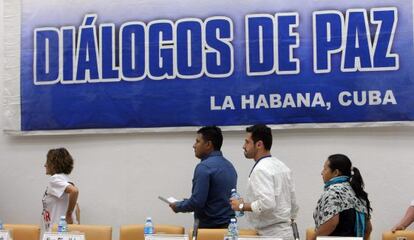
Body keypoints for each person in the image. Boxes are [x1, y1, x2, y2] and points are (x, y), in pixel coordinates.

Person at [230, 124, 299, 240]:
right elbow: (294, 204)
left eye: (247, 142)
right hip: (286, 232)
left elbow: (267, 203)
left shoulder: (261, 169)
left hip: (270, 234)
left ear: (259, 144)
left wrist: (241, 206)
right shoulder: (282, 166)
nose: (243, 146)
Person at [169, 126, 237, 228]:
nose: (194, 145)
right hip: (230, 230)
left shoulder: (204, 167)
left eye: (197, 141)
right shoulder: (230, 166)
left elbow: (197, 202)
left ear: (208, 144)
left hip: (208, 231)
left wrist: (178, 206)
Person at [313, 154, 372, 240]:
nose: (322, 172)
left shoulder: (333, 192)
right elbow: (368, 229)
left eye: (325, 169)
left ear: (336, 172)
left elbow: (331, 224)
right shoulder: (357, 191)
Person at [42, 148, 80, 231]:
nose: (45, 165)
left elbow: (74, 191)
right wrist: (77, 227)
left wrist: (68, 215)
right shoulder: (67, 180)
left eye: (47, 162)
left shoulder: (55, 179)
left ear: (53, 164)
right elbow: (77, 208)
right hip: (66, 230)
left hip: (58, 231)